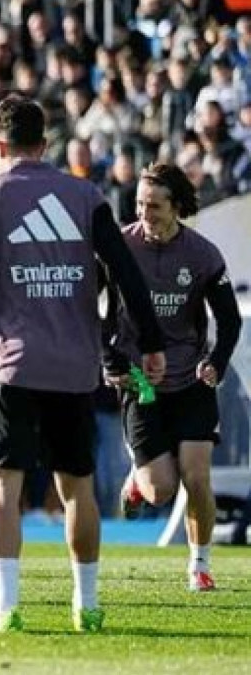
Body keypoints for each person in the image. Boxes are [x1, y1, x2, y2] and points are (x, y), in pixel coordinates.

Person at [0, 95, 166, 634]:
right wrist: (149, 342)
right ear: (44, 144)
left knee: (3, 488)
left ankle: (7, 607)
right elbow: (126, 273)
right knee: (76, 488)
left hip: (13, 365)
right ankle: (86, 605)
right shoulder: (84, 195)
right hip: (74, 366)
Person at [104, 162, 242, 592]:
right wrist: (109, 361)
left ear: (177, 207)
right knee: (161, 490)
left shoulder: (202, 256)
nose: (145, 213)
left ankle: (199, 565)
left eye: (155, 206)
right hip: (140, 383)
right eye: (141, 204)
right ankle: (138, 478)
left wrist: (216, 363)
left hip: (191, 380)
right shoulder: (118, 248)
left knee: (197, 475)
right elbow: (93, 311)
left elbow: (230, 319)